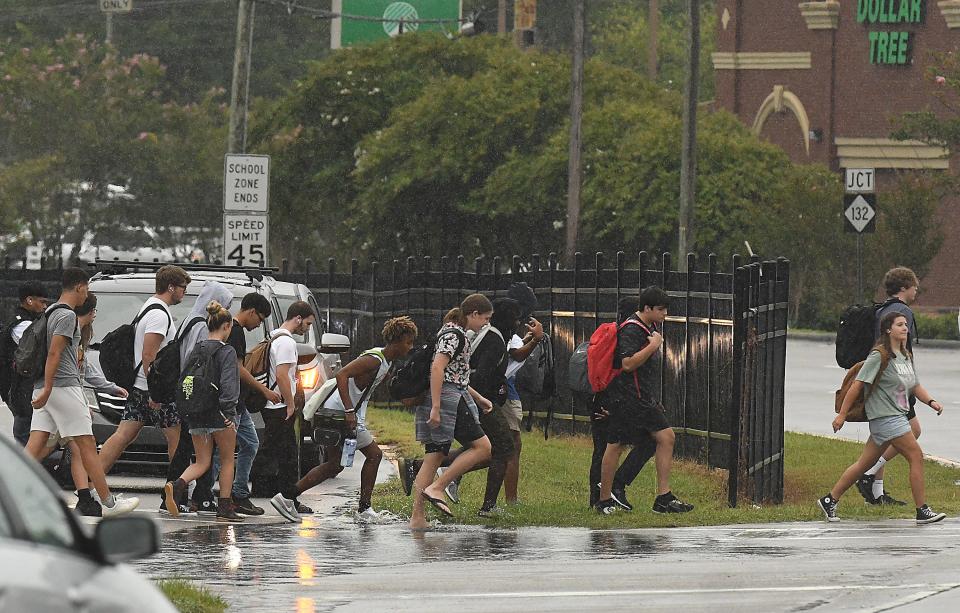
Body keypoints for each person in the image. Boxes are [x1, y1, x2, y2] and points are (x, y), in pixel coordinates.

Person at [270, 316, 418, 523]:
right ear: (397, 340)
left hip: (343, 413)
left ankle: (287, 496)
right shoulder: (374, 359)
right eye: (408, 342)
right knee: (374, 455)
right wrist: (349, 411)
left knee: (334, 465)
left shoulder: (386, 362)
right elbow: (342, 375)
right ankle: (364, 508)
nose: (410, 347)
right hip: (340, 414)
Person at [25, 268, 139, 517]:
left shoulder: (51, 311)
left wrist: (44, 388)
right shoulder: (66, 316)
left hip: (48, 387)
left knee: (35, 446)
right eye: (86, 288)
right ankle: (108, 503)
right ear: (79, 287)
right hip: (63, 386)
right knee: (87, 444)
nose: (87, 293)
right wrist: (48, 387)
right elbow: (55, 353)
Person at [820, 311, 946, 524]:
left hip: (896, 416)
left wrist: (931, 402)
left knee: (863, 465)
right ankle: (922, 510)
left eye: (906, 324)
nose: (905, 328)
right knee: (916, 456)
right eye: (899, 324)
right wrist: (842, 415)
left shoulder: (906, 356)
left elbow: (914, 385)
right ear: (888, 329)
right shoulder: (879, 355)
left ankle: (829, 499)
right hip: (885, 417)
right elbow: (857, 384)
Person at [98, 265, 191, 513]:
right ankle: (176, 492)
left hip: (142, 388)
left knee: (123, 435)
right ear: (171, 287)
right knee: (177, 440)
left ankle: (91, 482)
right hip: (154, 390)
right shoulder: (160, 315)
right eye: (183, 287)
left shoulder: (149, 307)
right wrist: (155, 393)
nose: (184, 292)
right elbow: (149, 354)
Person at [596, 286, 694, 515]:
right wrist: (652, 346)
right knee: (617, 445)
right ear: (647, 308)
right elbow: (628, 363)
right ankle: (605, 499)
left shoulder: (649, 326)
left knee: (662, 439)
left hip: (640, 398)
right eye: (660, 309)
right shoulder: (632, 330)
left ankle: (661, 496)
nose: (664, 314)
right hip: (629, 398)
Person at [409, 294, 494, 530]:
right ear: (473, 314)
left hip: (448, 396)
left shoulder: (451, 332)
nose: (485, 324)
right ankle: (439, 486)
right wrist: (436, 406)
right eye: (485, 318)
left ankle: (417, 518)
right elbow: (438, 368)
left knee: (434, 456)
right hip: (448, 400)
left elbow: (455, 373)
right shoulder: (454, 335)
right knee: (483, 448)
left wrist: (478, 398)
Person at [164, 301, 243, 522]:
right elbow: (229, 385)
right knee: (227, 459)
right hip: (219, 413)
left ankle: (177, 484)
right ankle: (225, 507)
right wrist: (229, 412)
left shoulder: (197, 348)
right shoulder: (226, 351)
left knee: (201, 461)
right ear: (226, 326)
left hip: (196, 411)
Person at [855, 267, 922, 506]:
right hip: (895, 383)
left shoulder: (883, 308)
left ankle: (875, 490)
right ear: (904, 287)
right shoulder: (901, 311)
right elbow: (901, 348)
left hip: (886, 382)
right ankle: (870, 474)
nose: (916, 291)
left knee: (881, 438)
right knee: (913, 432)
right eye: (915, 287)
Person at [210, 291, 276, 516]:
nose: (259, 325)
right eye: (260, 319)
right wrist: (263, 389)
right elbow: (237, 368)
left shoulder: (231, 330)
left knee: (248, 444)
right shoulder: (236, 332)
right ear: (251, 312)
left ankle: (237, 492)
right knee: (224, 451)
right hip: (232, 401)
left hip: (237, 402)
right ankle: (214, 494)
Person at [589, 297, 658, 510]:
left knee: (604, 448)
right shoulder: (627, 337)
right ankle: (605, 495)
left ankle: (602, 495)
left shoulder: (614, 334)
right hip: (613, 401)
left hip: (602, 398)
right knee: (614, 447)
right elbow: (622, 372)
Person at [259, 301, 316, 523]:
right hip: (279, 406)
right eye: (308, 324)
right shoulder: (285, 342)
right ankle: (284, 498)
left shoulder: (275, 336)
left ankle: (288, 497)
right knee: (285, 455)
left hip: (276, 405)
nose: (308, 329)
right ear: (298, 318)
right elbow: (283, 375)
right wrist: (290, 404)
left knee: (283, 454)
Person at [500, 299, 545, 504]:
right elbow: (517, 355)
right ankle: (511, 499)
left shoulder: (503, 335)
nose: (519, 321)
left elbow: (514, 349)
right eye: (517, 317)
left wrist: (528, 339)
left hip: (506, 390)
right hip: (505, 392)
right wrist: (536, 340)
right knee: (510, 445)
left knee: (501, 445)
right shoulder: (502, 333)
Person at [1, 282, 49, 445]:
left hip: (21, 387)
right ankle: (24, 468)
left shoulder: (25, 321)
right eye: (42, 302)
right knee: (25, 433)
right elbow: (40, 350)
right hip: (19, 387)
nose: (45, 306)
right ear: (29, 300)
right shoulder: (23, 325)